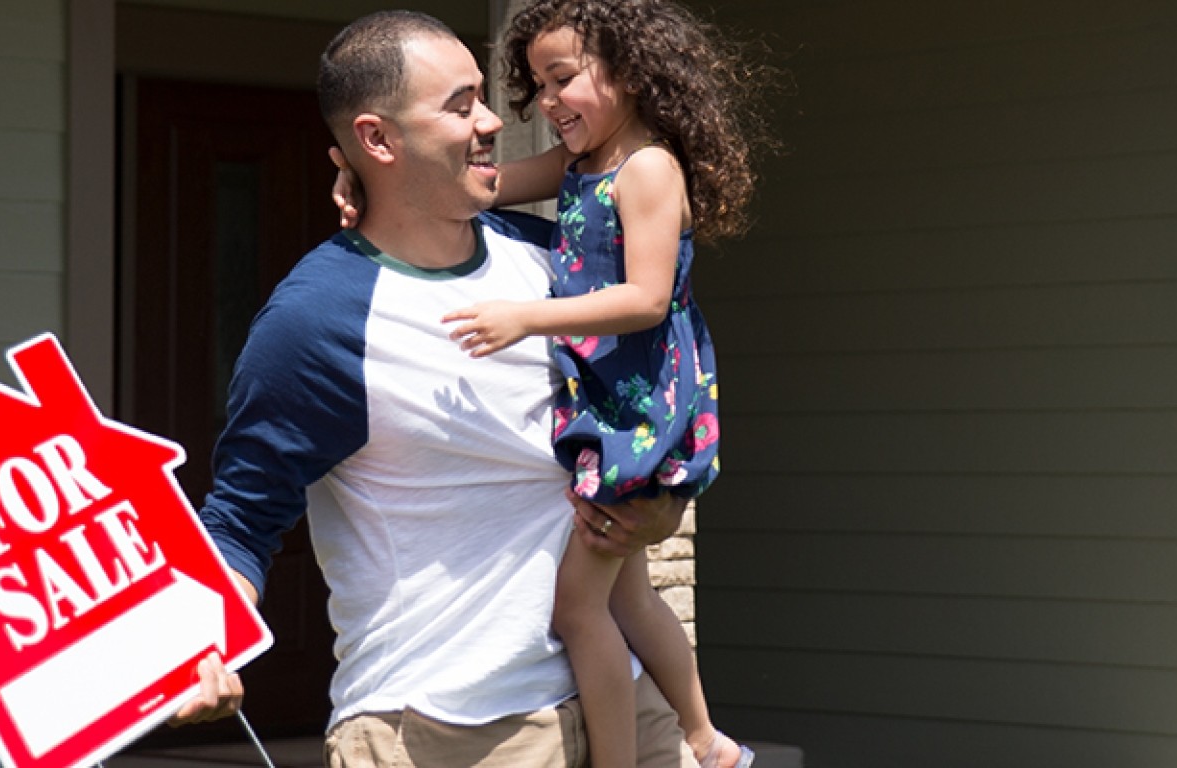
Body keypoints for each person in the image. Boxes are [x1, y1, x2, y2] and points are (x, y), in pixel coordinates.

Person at [171, 9, 702, 768]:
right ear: (378, 140)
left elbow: (661, 380)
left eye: (482, 96)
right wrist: (201, 643)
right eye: (459, 105)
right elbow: (237, 522)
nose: (492, 121)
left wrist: (661, 505)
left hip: (624, 704)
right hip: (443, 732)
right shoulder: (316, 323)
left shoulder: (553, 260)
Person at [332, 2, 767, 766]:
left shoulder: (649, 169)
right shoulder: (579, 169)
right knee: (628, 596)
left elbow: (647, 299)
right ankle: (705, 737)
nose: (549, 103)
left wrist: (525, 318)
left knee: (577, 610)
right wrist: (367, 183)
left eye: (563, 78)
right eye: (538, 85)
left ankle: (634, 754)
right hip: (607, 402)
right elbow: (481, 188)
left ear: (629, 74)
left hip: (637, 407)